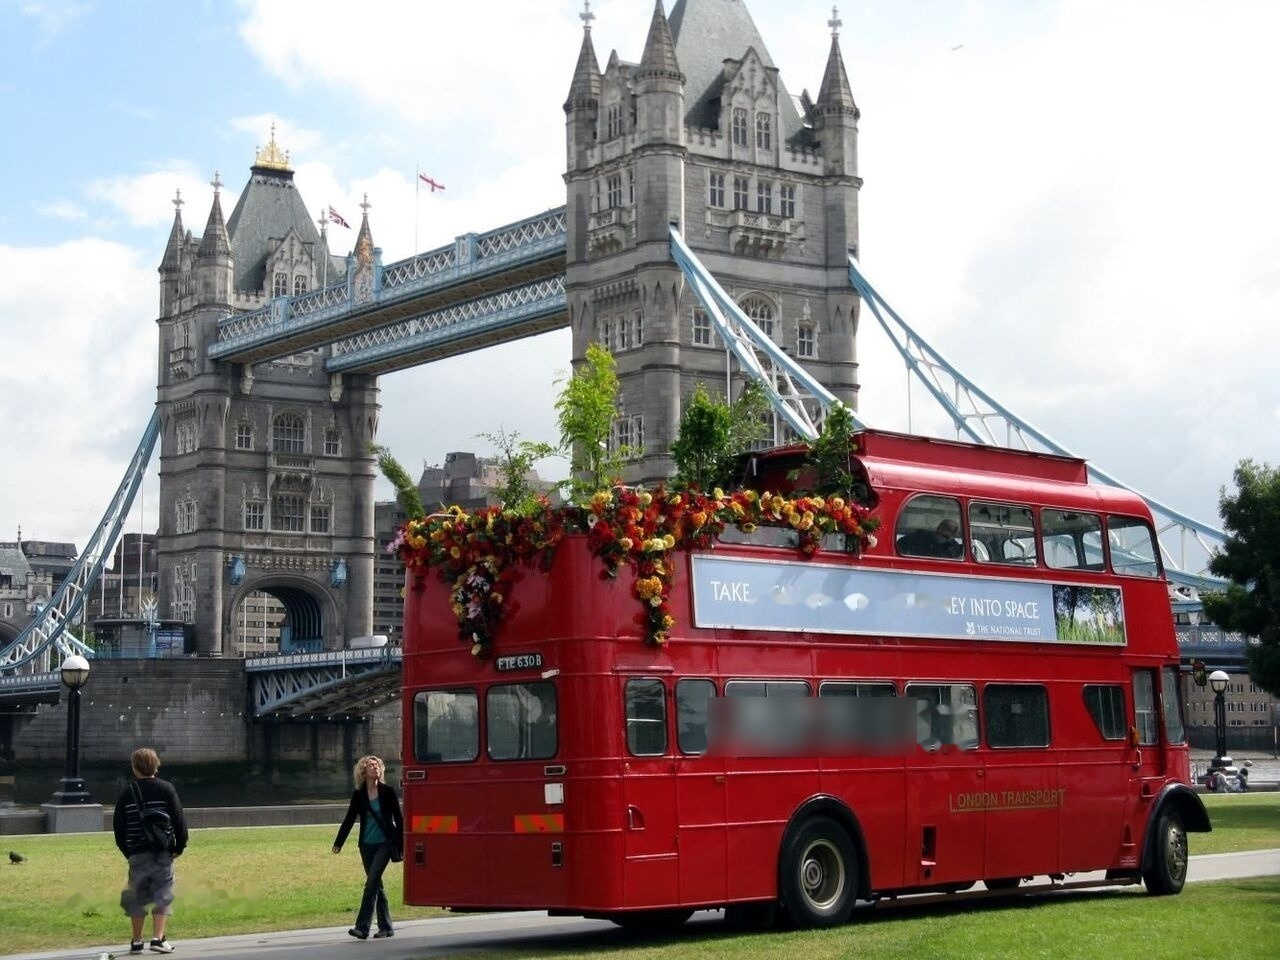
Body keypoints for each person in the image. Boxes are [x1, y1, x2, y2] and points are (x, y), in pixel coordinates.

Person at [113, 747, 187, 955]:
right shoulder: (166, 789)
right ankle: (158, 937)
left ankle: (137, 940)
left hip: (137, 850)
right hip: (163, 851)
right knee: (163, 893)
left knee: (137, 895)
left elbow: (119, 826)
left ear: (135, 768)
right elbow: (179, 820)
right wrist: (178, 847)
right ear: (156, 766)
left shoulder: (128, 792)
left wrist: (128, 851)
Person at [333, 755, 403, 940]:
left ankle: (362, 927)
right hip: (365, 845)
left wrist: (402, 845)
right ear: (364, 771)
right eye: (372, 765)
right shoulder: (359, 795)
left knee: (371, 883)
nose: (376, 768)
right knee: (377, 885)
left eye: (378, 765)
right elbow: (349, 819)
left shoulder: (388, 791)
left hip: (385, 844)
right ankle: (386, 927)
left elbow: (399, 818)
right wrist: (339, 842)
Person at [897, 518, 963, 559]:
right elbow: (900, 545)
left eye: (946, 537)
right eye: (939, 534)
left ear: (952, 535)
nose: (941, 538)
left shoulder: (953, 547)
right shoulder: (920, 537)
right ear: (938, 528)